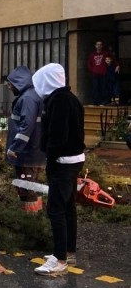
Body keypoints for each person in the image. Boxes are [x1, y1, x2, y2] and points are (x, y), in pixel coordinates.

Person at [31, 63, 85, 276]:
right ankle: (68, 251)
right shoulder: (71, 98)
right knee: (68, 206)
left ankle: (59, 259)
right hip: (74, 159)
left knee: (56, 209)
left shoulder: (58, 101)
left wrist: (50, 157)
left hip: (62, 162)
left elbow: (57, 135)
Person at [5, 66, 46, 213]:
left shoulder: (27, 98)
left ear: (19, 83)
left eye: (10, 84)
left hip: (26, 154)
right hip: (33, 152)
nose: (9, 87)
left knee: (27, 189)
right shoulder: (33, 96)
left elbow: (26, 126)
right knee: (32, 187)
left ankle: (29, 224)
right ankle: (36, 219)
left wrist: (15, 147)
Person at [86, 40, 111, 105]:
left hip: (103, 74)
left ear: (102, 46)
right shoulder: (92, 55)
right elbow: (89, 63)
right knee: (95, 88)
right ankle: (95, 101)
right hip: (95, 74)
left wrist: (117, 65)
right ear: (95, 46)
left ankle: (104, 101)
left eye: (100, 44)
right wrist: (92, 70)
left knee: (103, 88)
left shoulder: (105, 53)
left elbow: (112, 59)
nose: (99, 46)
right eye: (97, 44)